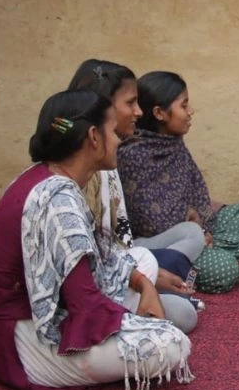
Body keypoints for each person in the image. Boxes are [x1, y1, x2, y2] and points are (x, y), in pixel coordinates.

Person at [0, 90, 192, 390]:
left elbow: (102, 258)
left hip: (31, 314)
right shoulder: (58, 199)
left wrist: (145, 285)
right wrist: (141, 324)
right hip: (19, 338)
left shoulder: (49, 176)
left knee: (144, 261)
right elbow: (84, 301)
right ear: (93, 136)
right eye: (113, 132)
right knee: (169, 346)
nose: (118, 140)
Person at [68, 60, 201, 331]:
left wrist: (149, 277)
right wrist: (143, 278)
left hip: (126, 262)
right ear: (103, 109)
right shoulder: (79, 174)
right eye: (130, 103)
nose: (138, 113)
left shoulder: (109, 159)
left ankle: (163, 272)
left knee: (190, 238)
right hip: (94, 285)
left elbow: (117, 244)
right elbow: (88, 265)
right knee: (183, 313)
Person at [119, 71, 239, 294]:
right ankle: (187, 266)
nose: (190, 111)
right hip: (164, 243)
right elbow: (150, 223)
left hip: (195, 227)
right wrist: (196, 231)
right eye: (184, 106)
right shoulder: (133, 155)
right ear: (159, 113)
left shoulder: (172, 142)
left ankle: (209, 247)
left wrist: (201, 223)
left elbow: (192, 194)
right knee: (225, 270)